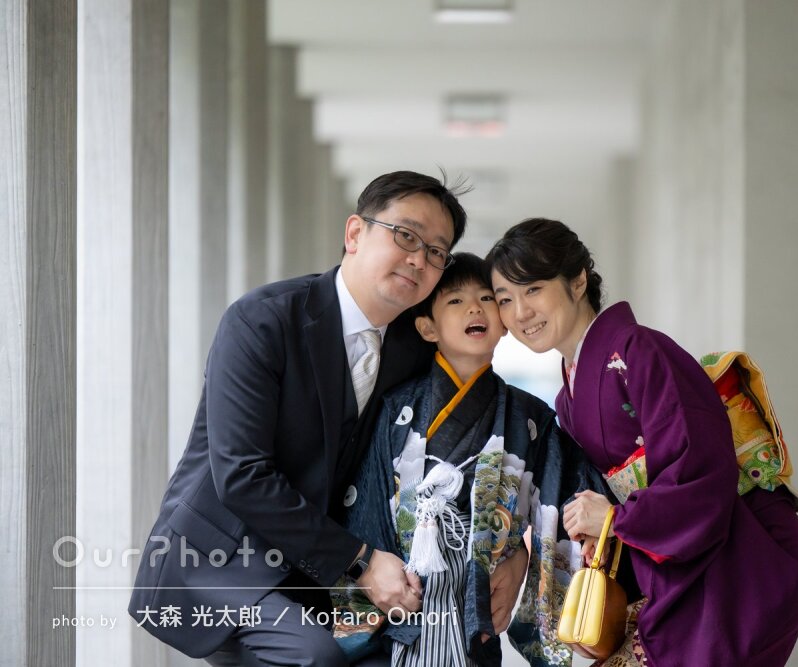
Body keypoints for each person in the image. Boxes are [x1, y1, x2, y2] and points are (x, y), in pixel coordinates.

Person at [128, 171, 524, 666]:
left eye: (436, 252)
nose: (419, 259)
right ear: (355, 233)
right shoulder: (262, 321)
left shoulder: (411, 345)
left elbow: (460, 454)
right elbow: (241, 475)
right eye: (406, 236)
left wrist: (516, 553)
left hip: (318, 570)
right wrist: (359, 562)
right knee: (315, 657)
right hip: (223, 559)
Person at [486, 219, 798, 667]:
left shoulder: (639, 352)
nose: (521, 312)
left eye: (534, 289)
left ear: (578, 279)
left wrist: (618, 518)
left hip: (740, 562)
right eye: (506, 299)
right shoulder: (569, 396)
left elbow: (701, 467)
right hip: (678, 568)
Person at [334, 253, 601, 667]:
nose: (475, 308)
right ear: (427, 327)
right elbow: (365, 503)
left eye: (486, 299)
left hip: (478, 602)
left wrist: (523, 556)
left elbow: (562, 500)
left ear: (504, 324)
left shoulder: (529, 418)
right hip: (404, 598)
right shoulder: (396, 409)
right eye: (455, 301)